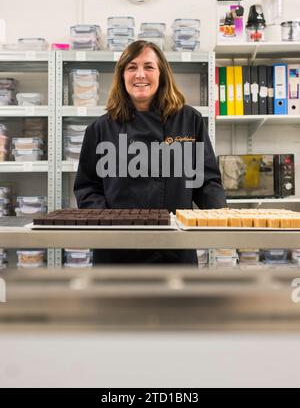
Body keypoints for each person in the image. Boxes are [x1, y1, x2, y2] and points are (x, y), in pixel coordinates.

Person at [74, 40, 226, 264]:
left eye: (149, 66)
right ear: (122, 75)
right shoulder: (100, 129)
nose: (140, 75)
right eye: (132, 67)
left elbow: (206, 181)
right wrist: (110, 224)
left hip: (174, 249)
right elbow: (88, 188)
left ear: (162, 73)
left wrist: (221, 217)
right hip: (116, 252)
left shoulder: (188, 120)